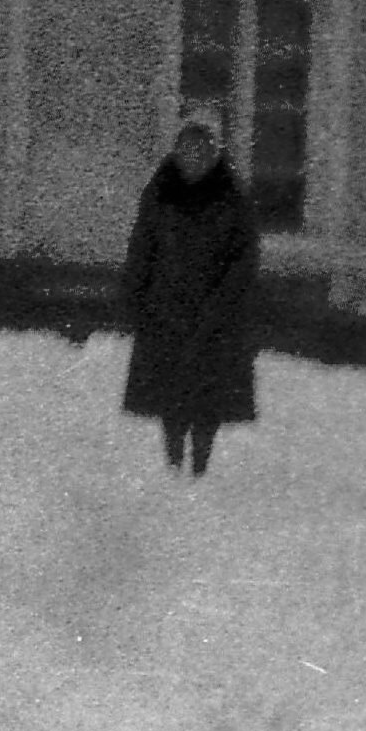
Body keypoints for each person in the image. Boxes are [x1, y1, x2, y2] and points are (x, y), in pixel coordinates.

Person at [120, 101, 262, 479]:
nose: (193, 157)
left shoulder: (232, 198)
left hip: (216, 318)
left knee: (207, 399)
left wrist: (224, 303)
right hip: (166, 311)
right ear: (177, 150)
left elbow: (244, 259)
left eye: (201, 149)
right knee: (171, 395)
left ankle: (200, 466)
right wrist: (137, 297)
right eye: (187, 148)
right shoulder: (160, 193)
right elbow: (142, 248)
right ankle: (173, 463)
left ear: (214, 152)